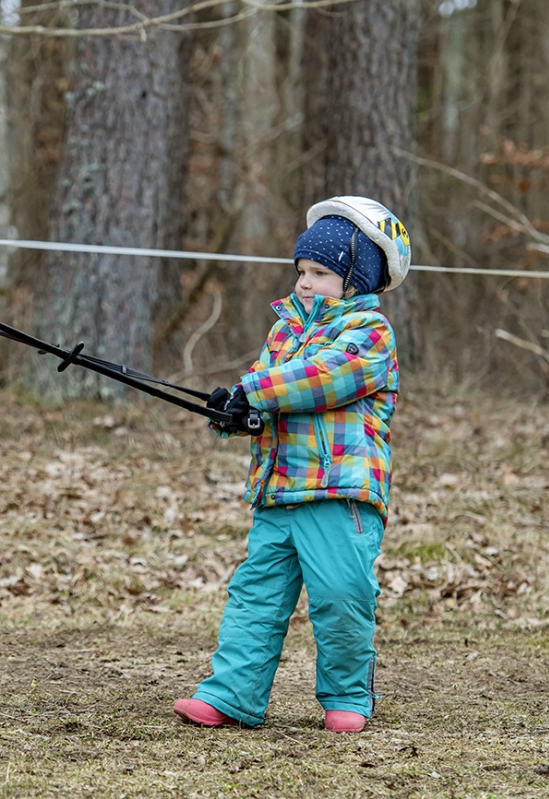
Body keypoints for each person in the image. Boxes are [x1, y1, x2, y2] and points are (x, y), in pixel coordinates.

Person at [174, 196, 411, 734]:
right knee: (254, 599)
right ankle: (230, 695)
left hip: (338, 493)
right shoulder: (283, 332)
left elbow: (325, 378)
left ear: (356, 280)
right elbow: (265, 397)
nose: (305, 282)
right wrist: (233, 413)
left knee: (341, 598)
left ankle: (347, 696)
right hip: (278, 492)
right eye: (301, 271)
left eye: (320, 273)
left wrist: (254, 390)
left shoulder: (370, 333)